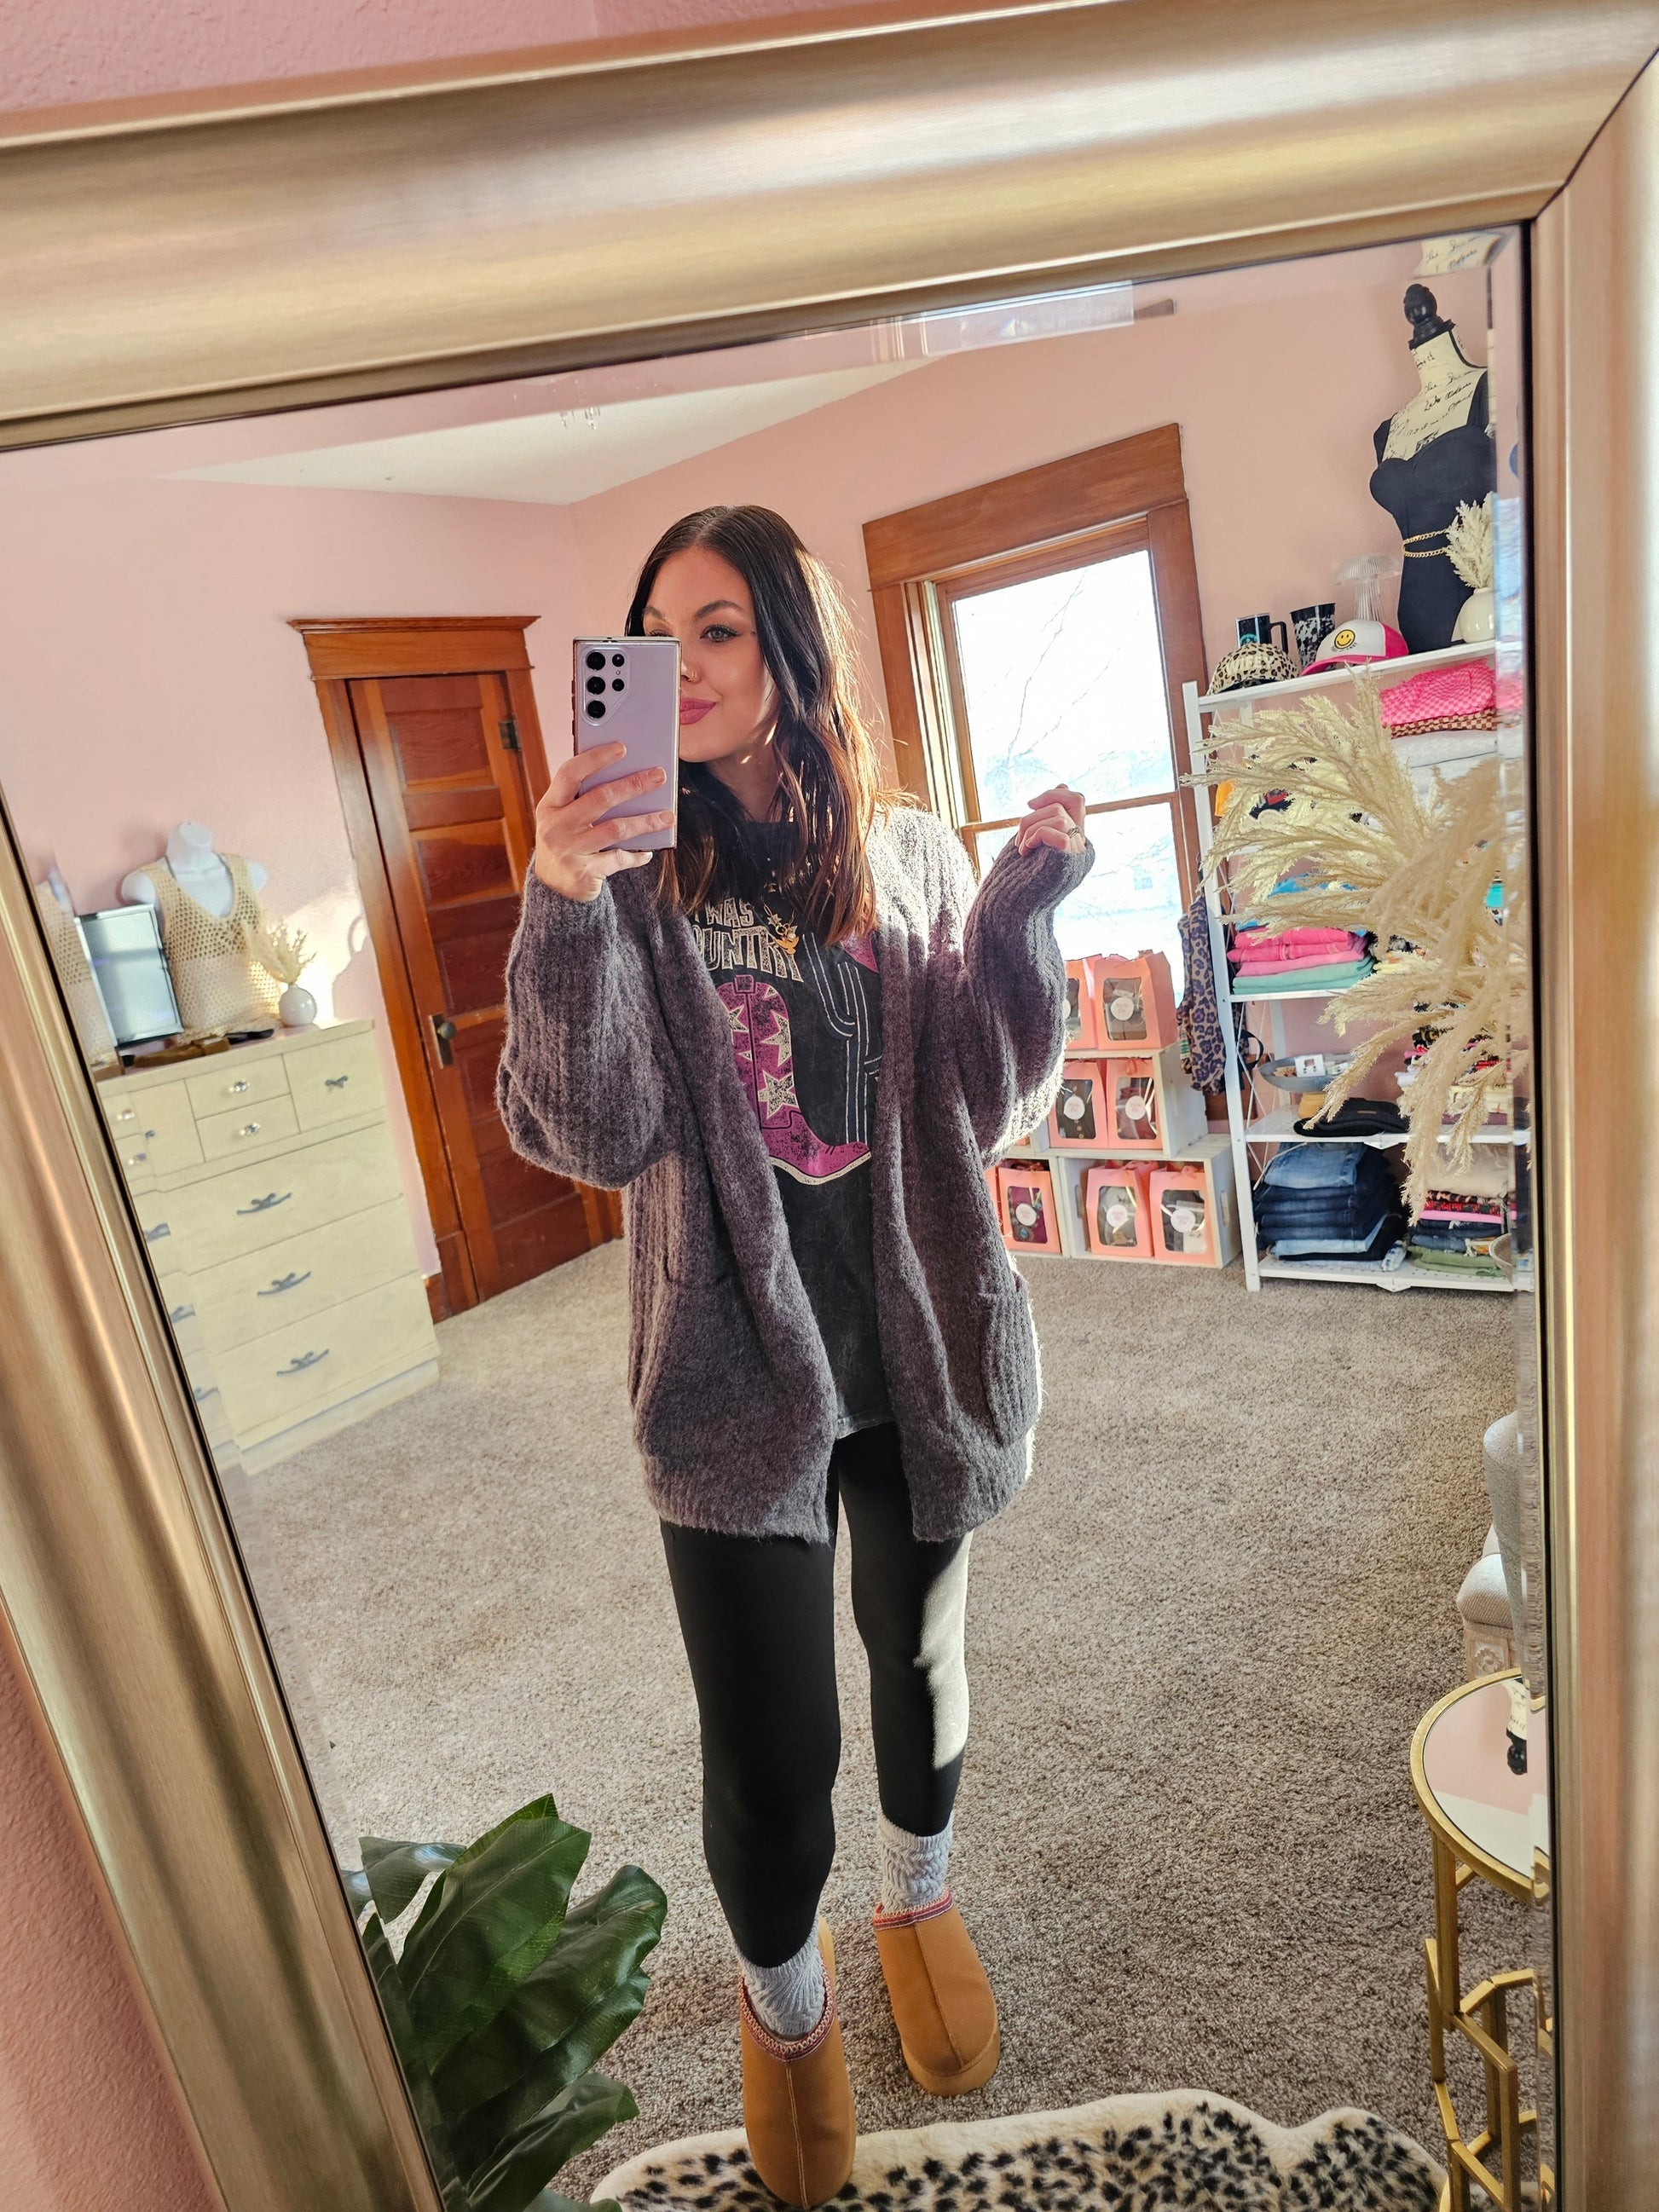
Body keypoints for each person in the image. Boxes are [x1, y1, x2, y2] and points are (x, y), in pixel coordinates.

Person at [498, 505, 1092, 2207]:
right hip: (730, 1380)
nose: (680, 668)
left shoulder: (900, 853)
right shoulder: (626, 877)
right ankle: (785, 2009)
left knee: (919, 1668)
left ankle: (916, 1896)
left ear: (792, 650)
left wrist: (1018, 909)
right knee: (770, 1762)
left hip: (917, 1349)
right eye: (655, 635)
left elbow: (988, 1094)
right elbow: (590, 1130)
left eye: (719, 630)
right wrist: (564, 898)